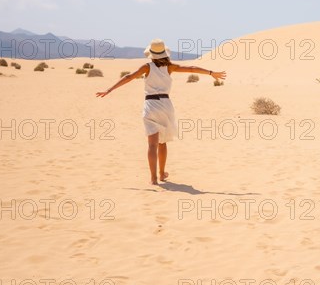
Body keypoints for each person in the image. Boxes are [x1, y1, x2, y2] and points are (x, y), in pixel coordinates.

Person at [96, 39, 227, 185]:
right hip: (165, 105)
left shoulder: (147, 67)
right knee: (162, 143)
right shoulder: (170, 67)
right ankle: (162, 173)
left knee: (152, 144)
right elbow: (191, 68)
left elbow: (129, 77)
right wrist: (210, 73)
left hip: (151, 104)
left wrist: (109, 90)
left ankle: (153, 178)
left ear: (151, 54)